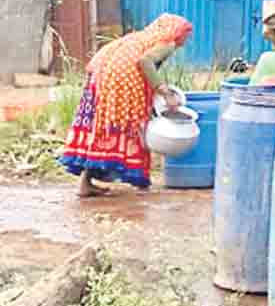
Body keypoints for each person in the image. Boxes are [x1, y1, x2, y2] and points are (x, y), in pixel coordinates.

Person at [60, 14, 193, 196]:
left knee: (101, 127)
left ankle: (86, 182)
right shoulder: (168, 42)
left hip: (101, 75)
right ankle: (139, 182)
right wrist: (166, 93)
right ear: (175, 32)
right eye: (185, 35)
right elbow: (145, 61)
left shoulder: (139, 38)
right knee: (131, 127)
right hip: (122, 80)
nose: (185, 41)